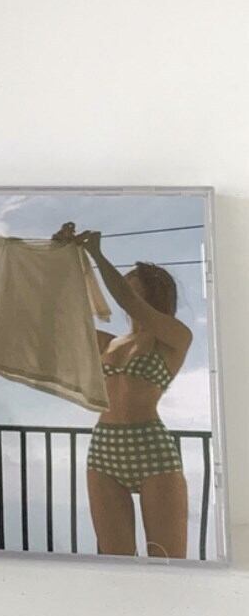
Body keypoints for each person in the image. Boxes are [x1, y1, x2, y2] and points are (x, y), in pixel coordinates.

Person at [52, 222, 192, 558]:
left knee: (167, 561)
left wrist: (96, 254)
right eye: (126, 289)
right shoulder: (109, 342)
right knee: (116, 561)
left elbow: (127, 301)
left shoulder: (174, 337)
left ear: (153, 296)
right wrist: (62, 257)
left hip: (152, 448)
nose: (124, 299)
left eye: (133, 291)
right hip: (104, 448)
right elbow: (60, 319)